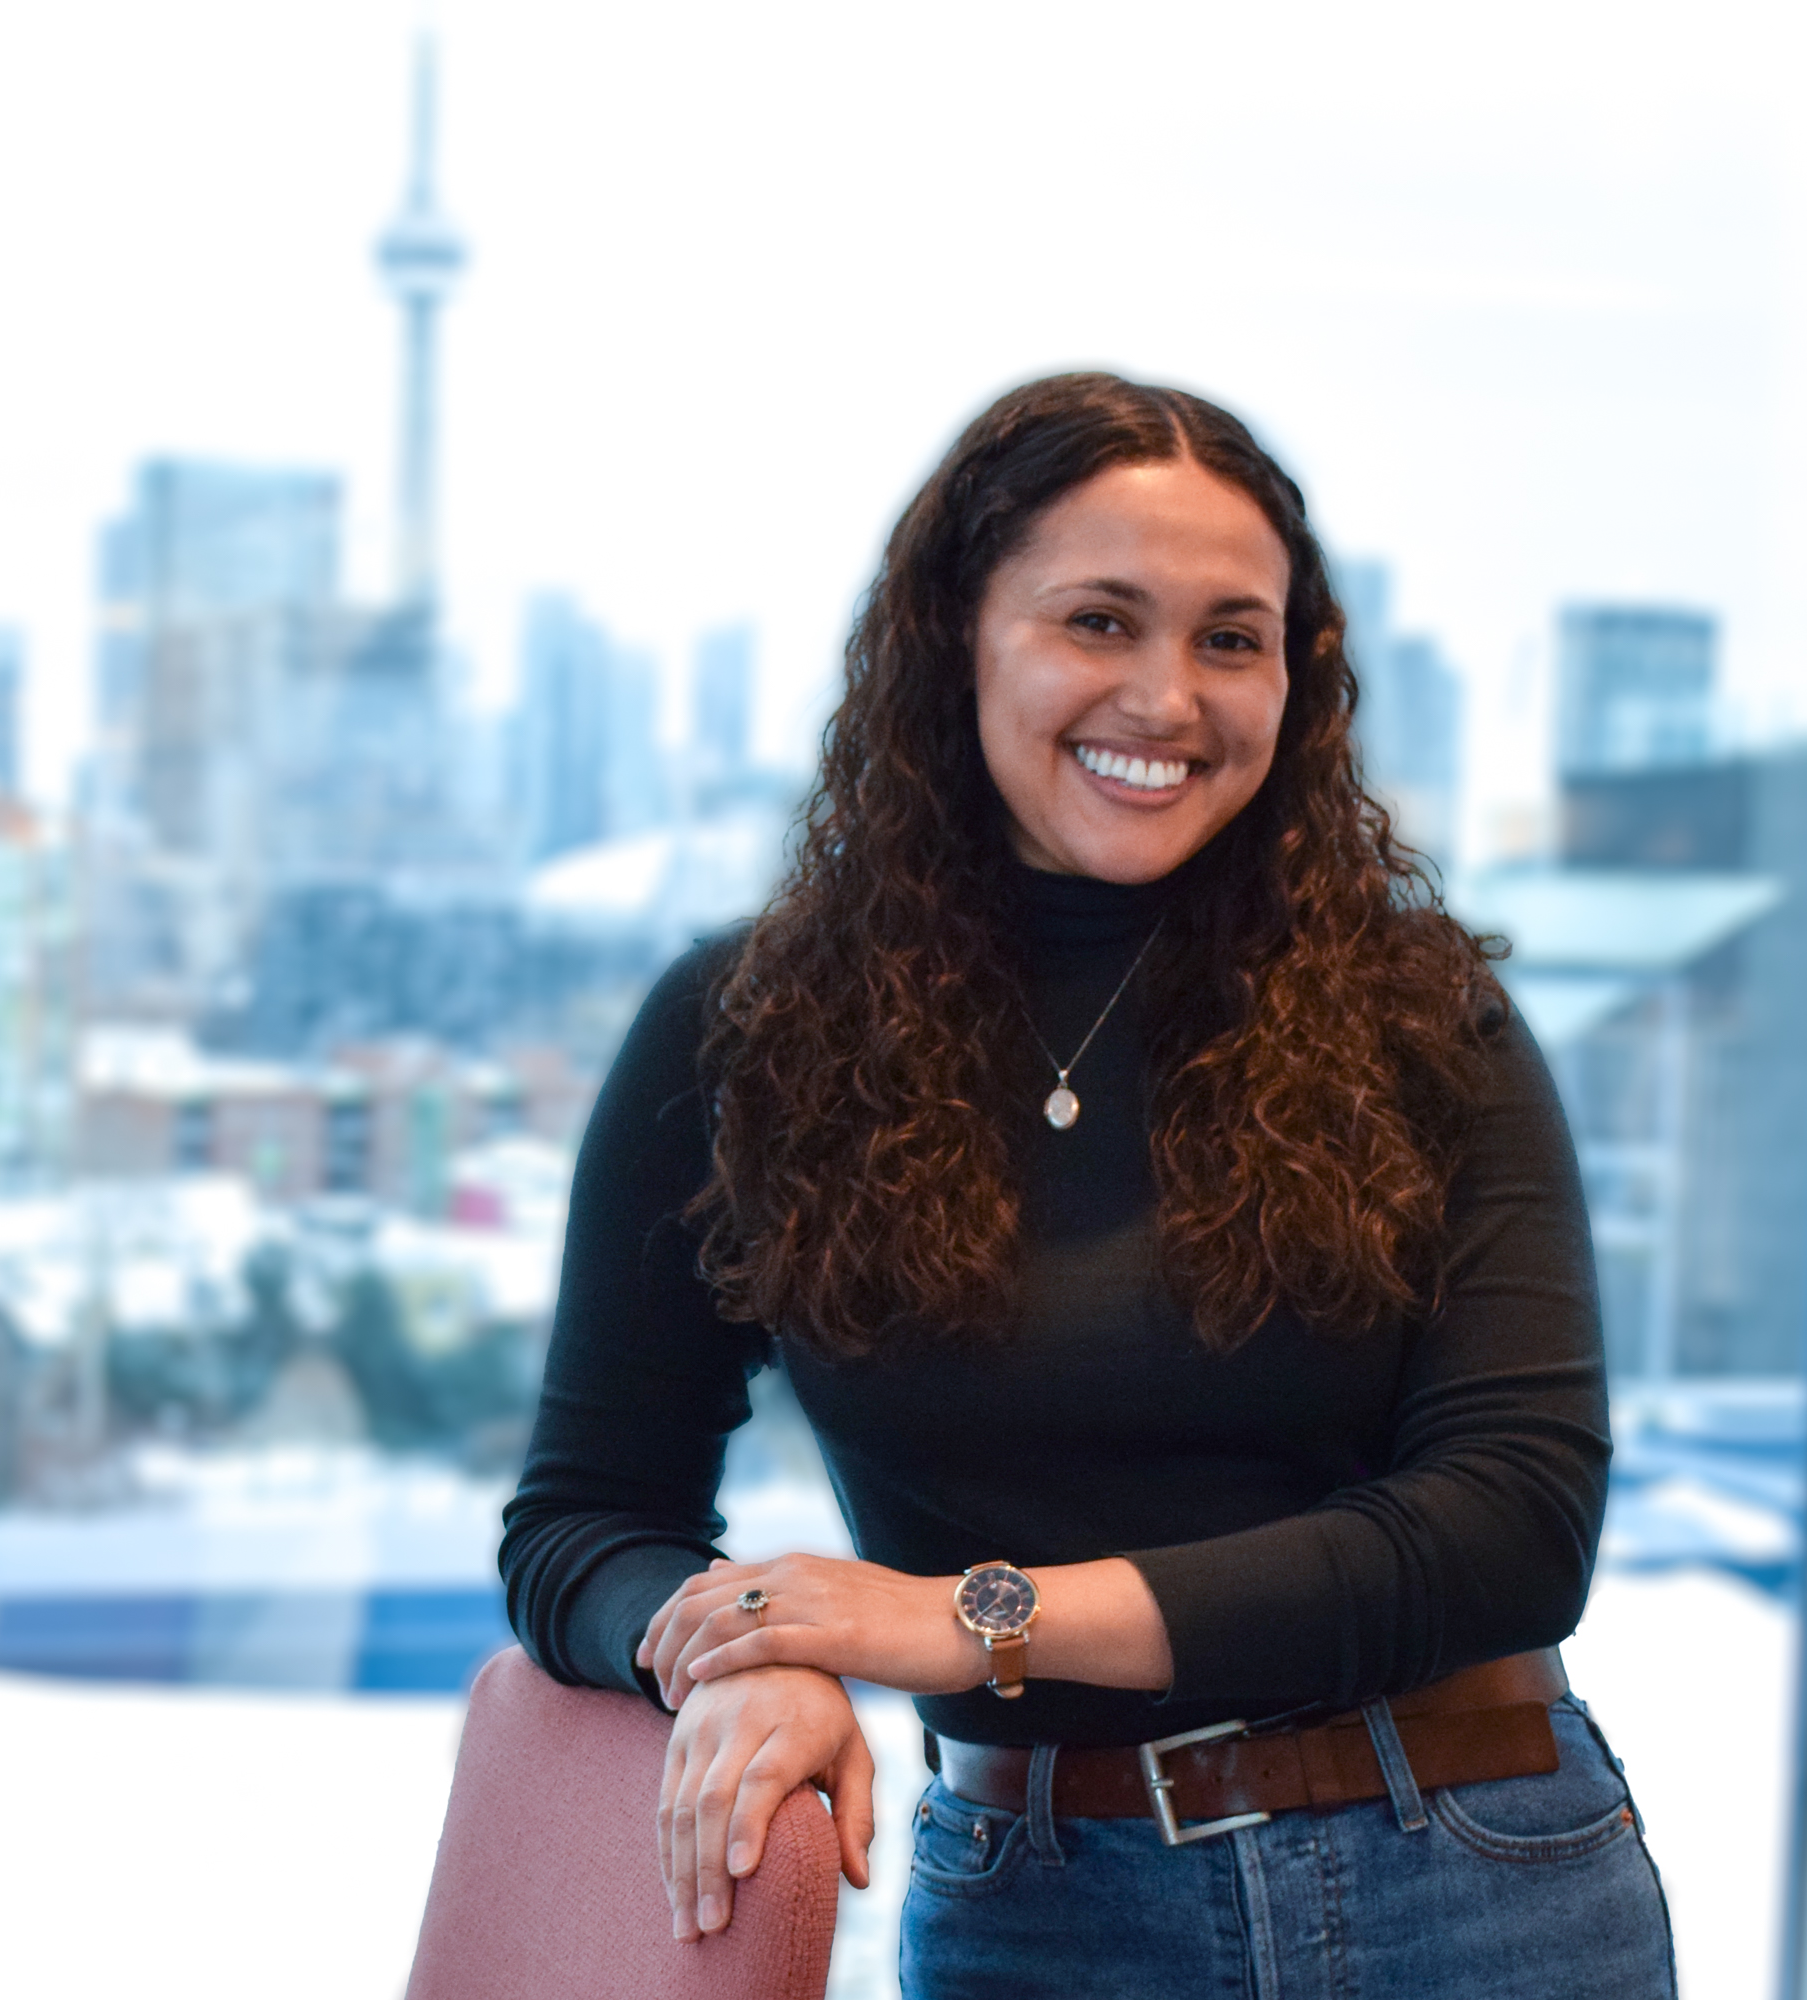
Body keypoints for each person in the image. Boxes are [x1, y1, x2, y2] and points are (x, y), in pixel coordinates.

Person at [499, 373, 1676, 1997]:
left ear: (1298, 678)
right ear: (958, 640)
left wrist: (963, 1622)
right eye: (1100, 621)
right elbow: (582, 1524)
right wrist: (736, 1649)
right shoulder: (748, 1034)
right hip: (1045, 1911)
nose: (1168, 698)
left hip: (1473, 1884)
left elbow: (1512, 1529)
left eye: (1230, 638)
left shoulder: (1418, 1016)